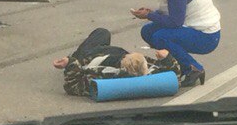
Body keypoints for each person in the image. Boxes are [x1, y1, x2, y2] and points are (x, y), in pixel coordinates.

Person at [132, 0, 221, 88]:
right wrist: (151, 13)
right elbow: (172, 13)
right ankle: (175, 64)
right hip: (194, 28)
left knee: (160, 37)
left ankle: (193, 68)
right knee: (147, 31)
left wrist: (149, 15)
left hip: (206, 36)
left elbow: (175, 22)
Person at [53, 26, 184, 97]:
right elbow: (174, 77)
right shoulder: (150, 73)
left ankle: (74, 55)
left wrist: (70, 63)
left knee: (102, 32)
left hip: (91, 56)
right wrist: (167, 58)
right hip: (108, 53)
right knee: (103, 34)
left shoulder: (106, 75)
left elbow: (73, 85)